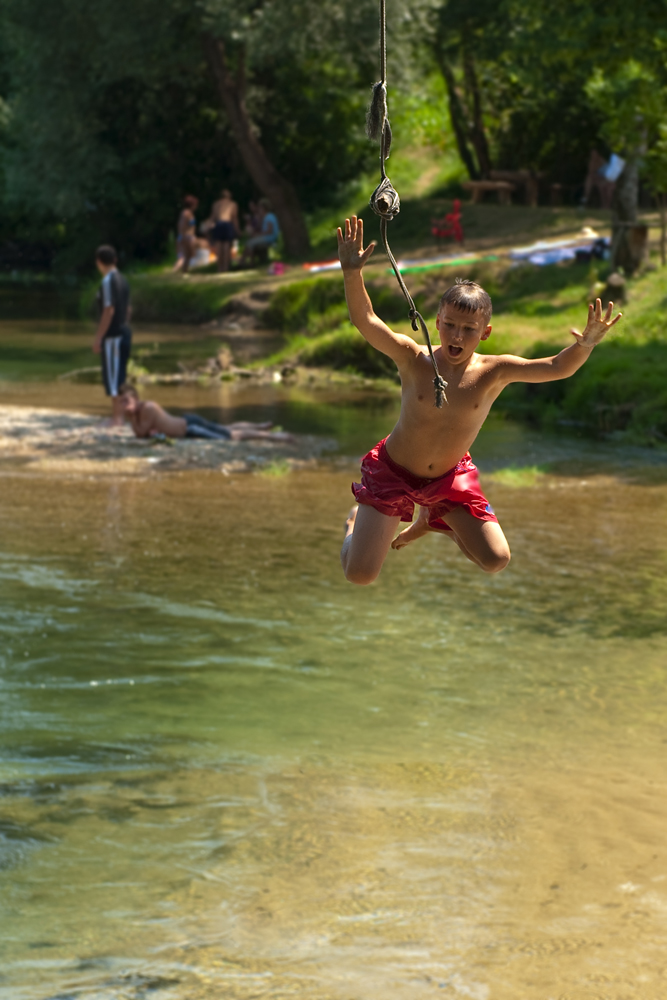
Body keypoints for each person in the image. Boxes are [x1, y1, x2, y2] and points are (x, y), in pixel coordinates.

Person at [337, 215, 622, 585]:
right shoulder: (414, 358)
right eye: (450, 324)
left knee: (496, 559)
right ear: (436, 321)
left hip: (448, 477)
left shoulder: (494, 372)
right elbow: (367, 320)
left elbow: (556, 367)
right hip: (393, 471)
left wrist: (584, 345)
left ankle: (429, 520)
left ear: (484, 332)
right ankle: (353, 525)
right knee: (360, 574)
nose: (457, 335)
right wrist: (351, 273)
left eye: (469, 329)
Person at [117, 384, 295, 442]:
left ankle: (275, 437)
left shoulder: (148, 408)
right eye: (121, 402)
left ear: (137, 398)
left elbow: (141, 434)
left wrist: (134, 420)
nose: (124, 406)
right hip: (186, 423)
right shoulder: (136, 414)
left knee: (231, 436)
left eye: (127, 401)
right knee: (223, 427)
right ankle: (259, 426)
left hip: (190, 427)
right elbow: (144, 433)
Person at [93, 245, 132, 426]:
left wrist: (99, 337)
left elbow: (108, 310)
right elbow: (128, 309)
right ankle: (120, 417)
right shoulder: (123, 280)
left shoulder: (108, 281)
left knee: (113, 378)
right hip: (124, 332)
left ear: (99, 262)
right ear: (115, 260)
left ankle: (117, 419)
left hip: (113, 336)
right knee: (120, 376)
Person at [204, 189, 240, 272]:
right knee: (226, 246)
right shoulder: (232, 204)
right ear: (229, 197)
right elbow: (234, 218)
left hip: (218, 224)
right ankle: (226, 267)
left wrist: (206, 227)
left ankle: (219, 268)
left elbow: (212, 218)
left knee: (218, 246)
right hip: (227, 224)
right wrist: (237, 230)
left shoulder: (215, 204)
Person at [239, 198, 280, 267]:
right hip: (268, 237)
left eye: (260, 207)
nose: (259, 209)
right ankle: (245, 262)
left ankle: (247, 262)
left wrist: (258, 234)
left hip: (269, 238)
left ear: (264, 208)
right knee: (250, 241)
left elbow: (269, 231)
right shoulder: (267, 216)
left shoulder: (269, 216)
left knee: (250, 242)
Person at [174, 195, 208, 273]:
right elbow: (188, 226)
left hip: (181, 236)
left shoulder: (183, 213)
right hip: (188, 237)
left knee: (186, 257)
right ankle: (175, 271)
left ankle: (184, 272)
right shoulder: (188, 214)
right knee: (185, 257)